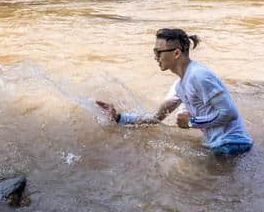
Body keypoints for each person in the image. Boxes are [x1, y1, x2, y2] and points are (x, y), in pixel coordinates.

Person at [97, 28, 253, 155]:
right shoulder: (179, 85)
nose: (155, 57)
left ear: (176, 53)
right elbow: (156, 118)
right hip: (218, 146)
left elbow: (230, 113)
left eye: (158, 52)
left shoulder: (199, 75)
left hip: (233, 145)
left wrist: (192, 122)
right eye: (154, 52)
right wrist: (119, 118)